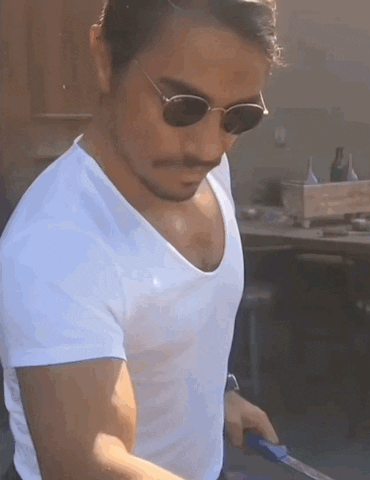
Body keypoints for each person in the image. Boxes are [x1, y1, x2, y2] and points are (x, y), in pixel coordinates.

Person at [0, 0, 283, 479]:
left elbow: (175, 330)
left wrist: (218, 393)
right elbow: (87, 462)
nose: (209, 148)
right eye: (183, 107)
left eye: (239, 117)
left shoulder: (203, 172)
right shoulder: (55, 243)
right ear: (105, 58)